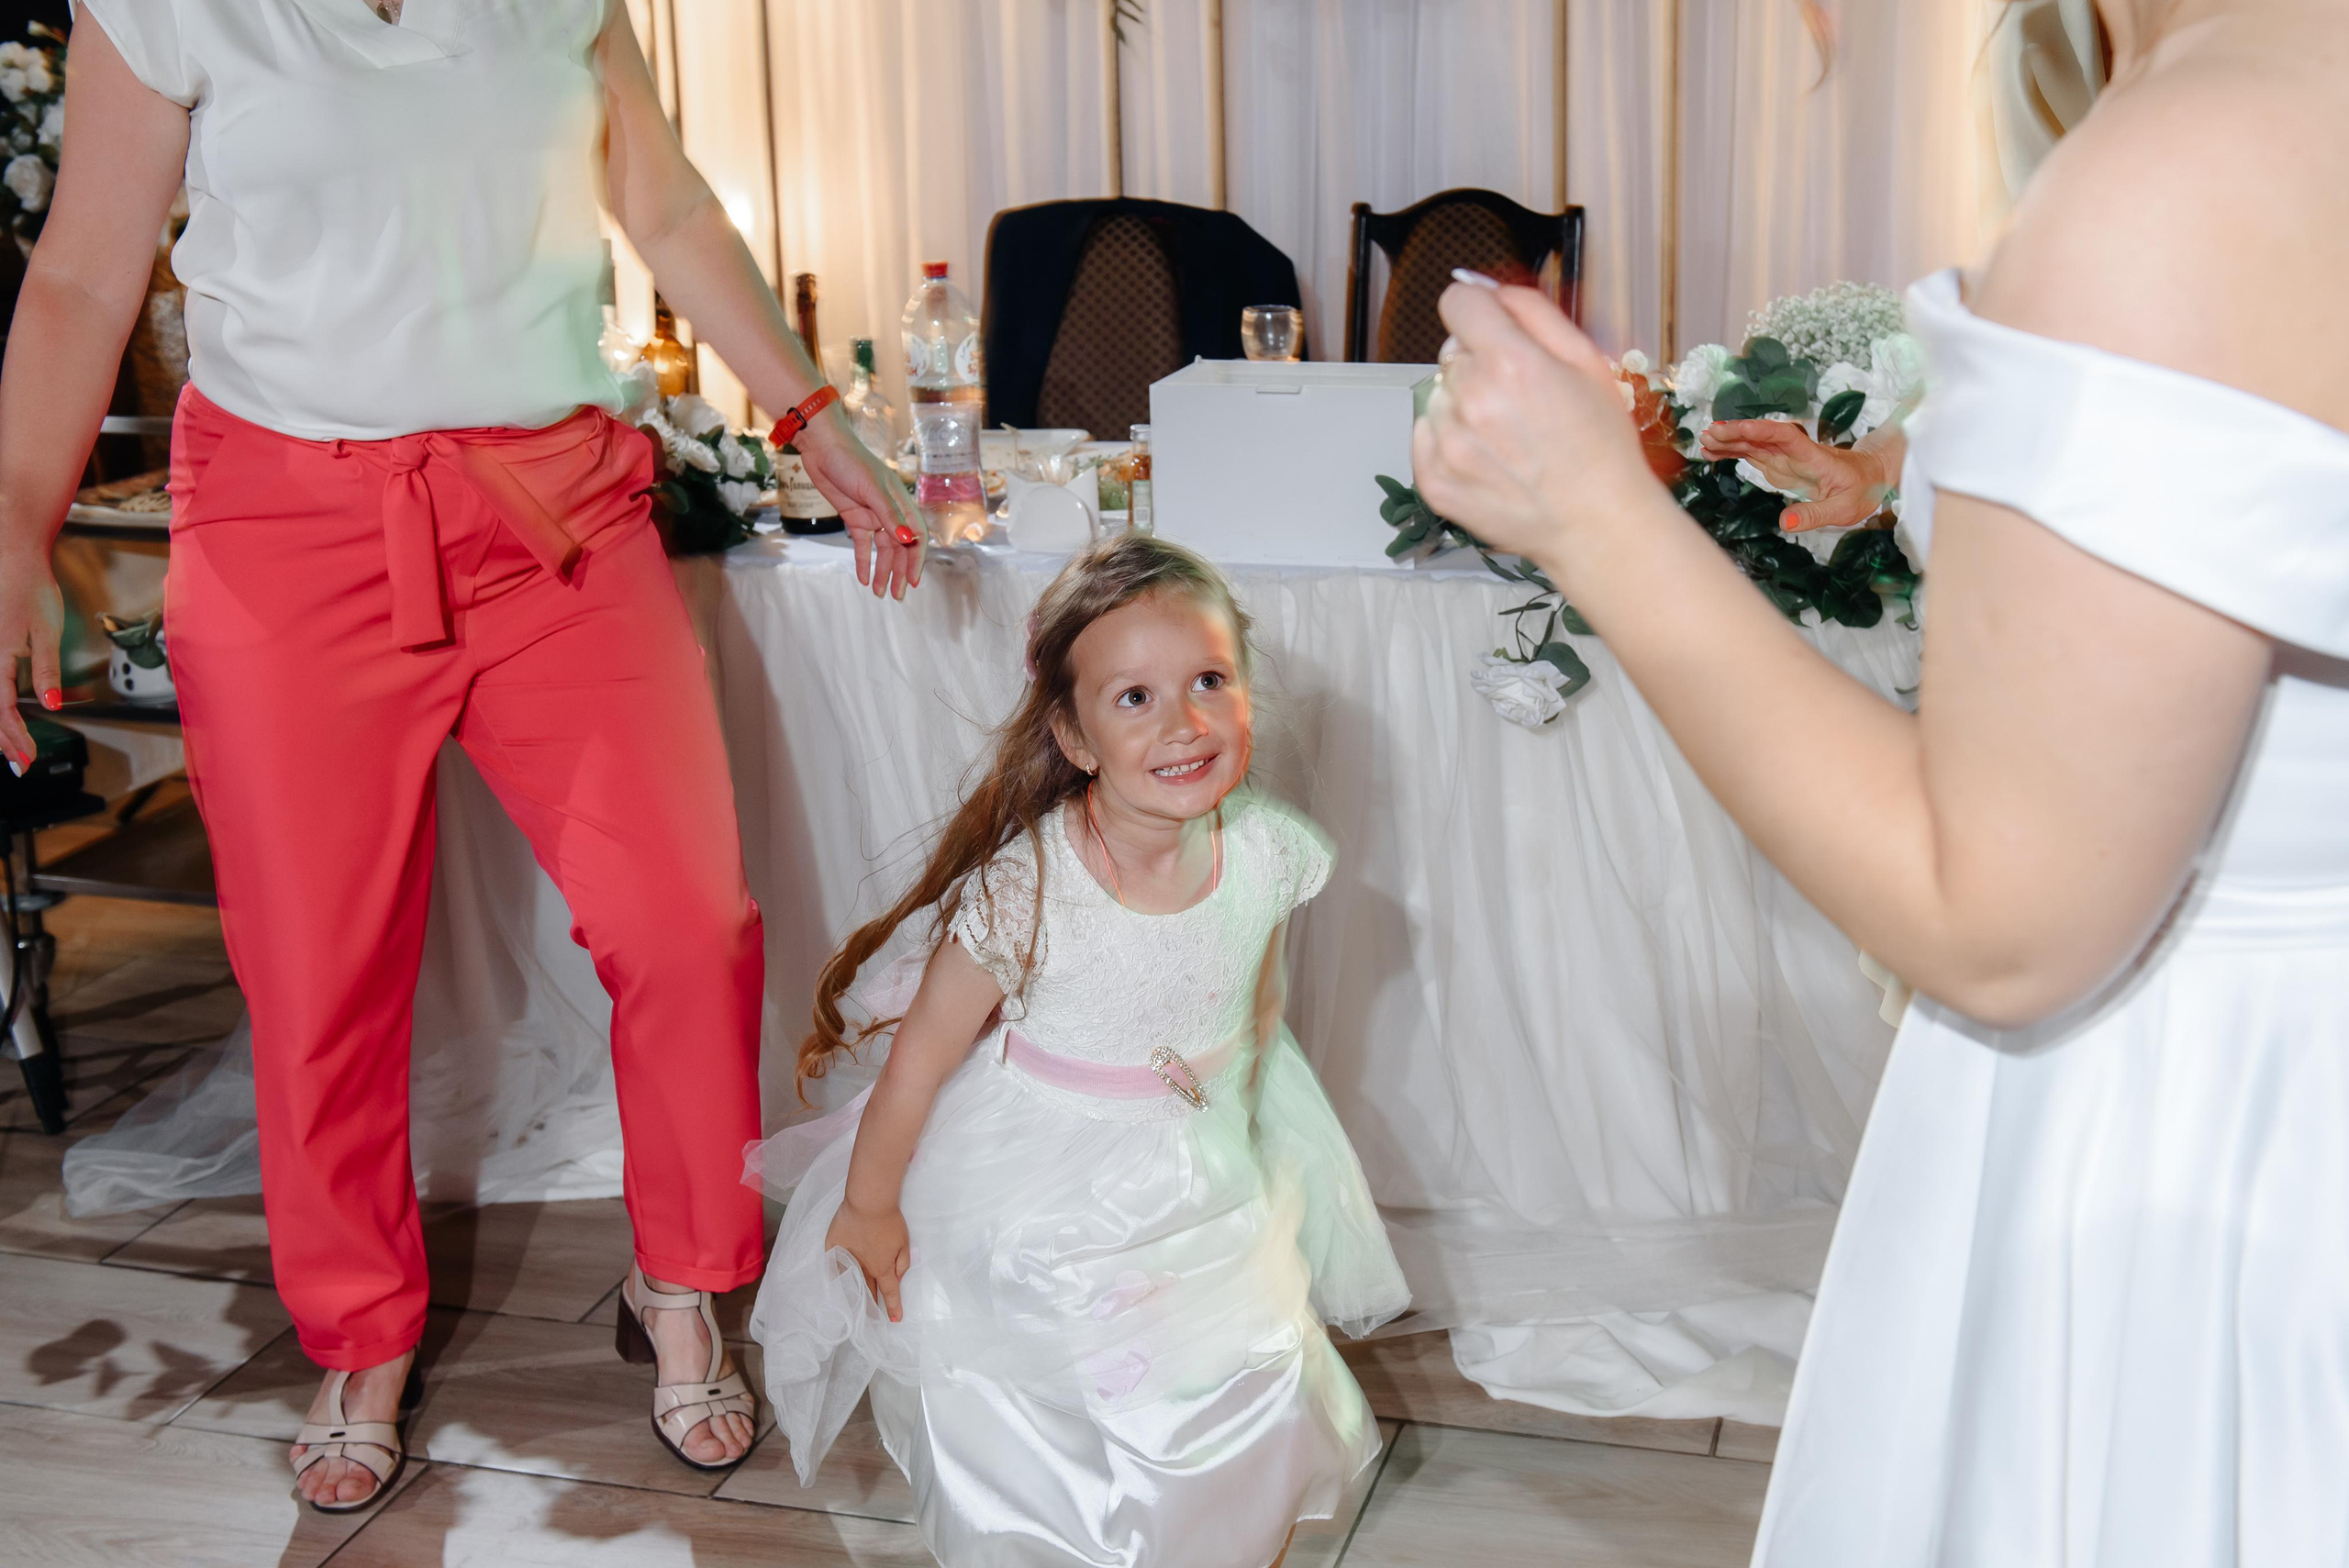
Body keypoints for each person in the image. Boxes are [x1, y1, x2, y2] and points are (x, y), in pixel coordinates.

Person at [1412, 0, 2349, 1558]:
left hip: (2189, 1141)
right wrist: (1918, 475)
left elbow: (2001, 915)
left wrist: (1590, 510)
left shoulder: (2184, 160)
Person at [0, 0, 924, 1510]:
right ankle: (361, 1326)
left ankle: (684, 1274)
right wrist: (17, 527)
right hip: (285, 531)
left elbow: (669, 202)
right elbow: (84, 276)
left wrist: (813, 414)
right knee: (318, 975)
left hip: (550, 515)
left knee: (685, 921)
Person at [745, 535, 1408, 1568]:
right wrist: (870, 1203)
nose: (1185, 722)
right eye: (1133, 697)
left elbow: (1259, 997)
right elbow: (918, 1063)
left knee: (1244, 1365)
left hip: (1199, 1155)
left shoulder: (1267, 847)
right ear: (1076, 733)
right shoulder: (1031, 887)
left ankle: (1223, 1535)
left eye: (1208, 681)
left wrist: (1240, 1115)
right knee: (1059, 1384)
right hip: (1041, 1180)